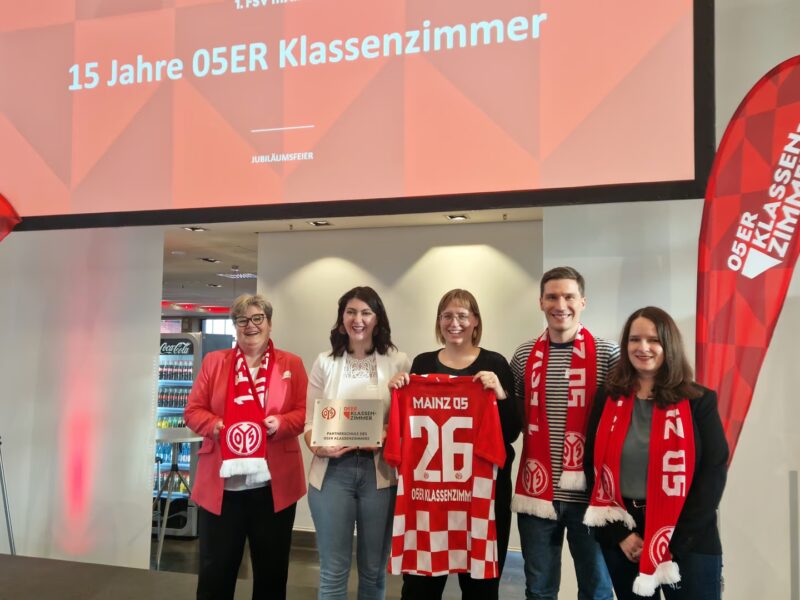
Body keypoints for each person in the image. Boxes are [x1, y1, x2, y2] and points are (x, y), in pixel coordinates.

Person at [583, 306, 728, 599]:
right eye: (635, 339)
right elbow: (592, 467)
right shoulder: (608, 397)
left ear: (669, 344)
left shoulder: (699, 401)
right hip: (625, 534)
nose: (643, 347)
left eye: (653, 340)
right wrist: (620, 535)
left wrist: (670, 541)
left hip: (688, 536)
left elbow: (713, 474)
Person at [389, 288, 521, 600]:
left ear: (476, 320)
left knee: (480, 586)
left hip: (482, 496)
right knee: (421, 584)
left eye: (463, 315)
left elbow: (513, 431)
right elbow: (408, 428)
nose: (455, 322)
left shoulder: (495, 364)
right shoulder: (422, 363)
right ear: (439, 322)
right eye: (447, 315)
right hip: (429, 494)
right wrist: (398, 391)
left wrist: (499, 393)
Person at [184, 294, 308, 600]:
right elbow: (193, 411)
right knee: (216, 571)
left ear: (269, 323)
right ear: (235, 325)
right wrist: (216, 426)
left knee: (271, 571)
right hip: (223, 488)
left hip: (273, 486)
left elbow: (305, 412)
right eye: (242, 320)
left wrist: (281, 423)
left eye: (257, 319)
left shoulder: (290, 363)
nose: (250, 326)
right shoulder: (215, 363)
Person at [510, 266, 617, 600]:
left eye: (569, 296)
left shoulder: (607, 354)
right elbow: (512, 418)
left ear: (582, 301)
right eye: (552, 296)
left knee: (596, 590)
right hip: (536, 495)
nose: (561, 304)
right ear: (541, 302)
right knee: (539, 590)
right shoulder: (524, 356)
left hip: (590, 497)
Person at [304, 286, 410, 600]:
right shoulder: (324, 362)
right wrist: (318, 446)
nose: (358, 319)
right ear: (341, 319)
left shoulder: (399, 361)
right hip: (331, 472)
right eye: (351, 312)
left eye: (366, 312)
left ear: (378, 319)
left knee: (373, 573)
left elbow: (409, 423)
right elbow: (310, 423)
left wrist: (390, 430)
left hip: (379, 473)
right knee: (333, 574)